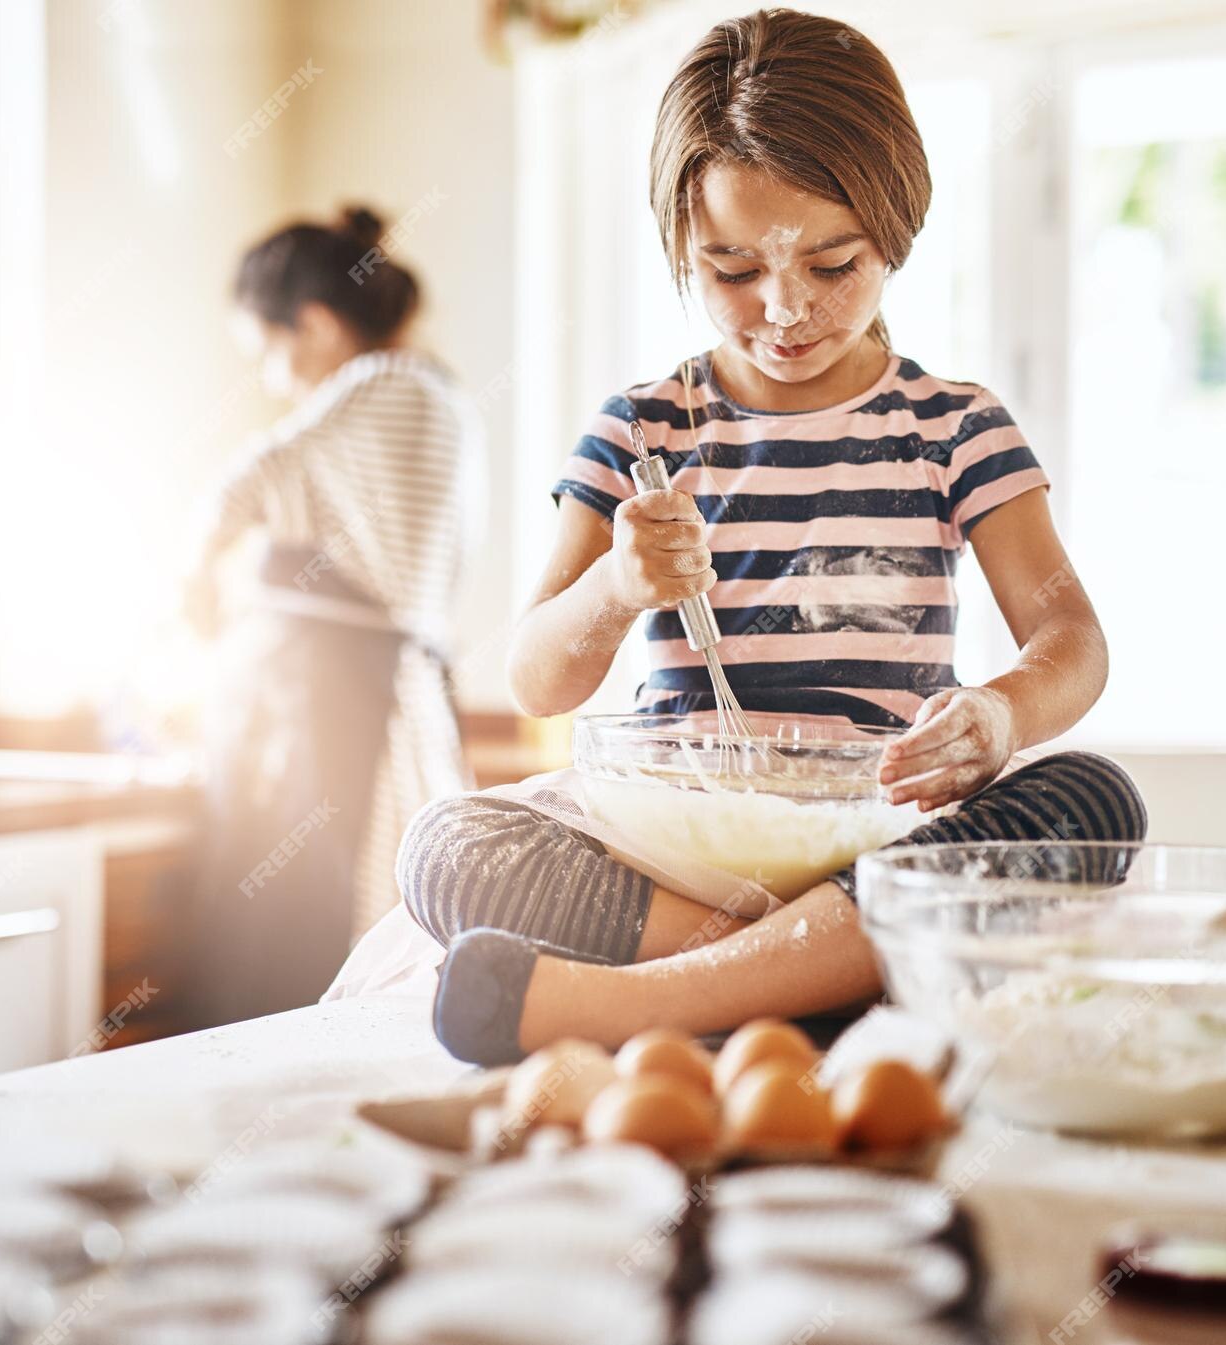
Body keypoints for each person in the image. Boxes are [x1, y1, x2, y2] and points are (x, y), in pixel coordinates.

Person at [390, 10, 1146, 1062]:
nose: (783, 309)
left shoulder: (952, 425)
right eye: (733, 270)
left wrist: (995, 713)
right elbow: (536, 680)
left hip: (879, 831)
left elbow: (1071, 642)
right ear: (678, 245)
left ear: (896, 224)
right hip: (675, 851)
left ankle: (635, 1006)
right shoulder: (638, 427)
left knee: (1091, 798)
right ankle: (827, 975)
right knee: (446, 844)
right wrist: (614, 585)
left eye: (832, 264)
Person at [179, 205, 481, 1025]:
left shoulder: (391, 387)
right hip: (353, 705)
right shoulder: (414, 395)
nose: (277, 380)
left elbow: (253, 476)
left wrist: (197, 568)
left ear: (311, 325)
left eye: (268, 353)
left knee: (334, 949)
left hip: (349, 716)